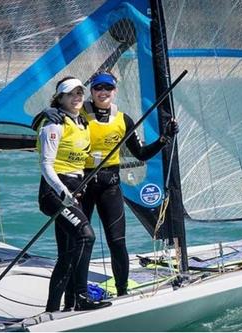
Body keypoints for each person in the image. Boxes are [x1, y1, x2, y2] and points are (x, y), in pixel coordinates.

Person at [37, 71, 178, 304]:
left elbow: (140, 154)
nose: (103, 92)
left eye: (108, 88)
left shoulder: (123, 120)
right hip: (79, 184)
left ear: (115, 91)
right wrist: (45, 112)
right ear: (91, 91)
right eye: (98, 88)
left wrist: (164, 139)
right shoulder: (78, 113)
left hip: (109, 185)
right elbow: (51, 123)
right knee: (75, 243)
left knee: (117, 241)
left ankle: (122, 292)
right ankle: (71, 300)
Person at [36, 76, 111, 312]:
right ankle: (80, 296)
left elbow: (105, 103)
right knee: (86, 236)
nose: (77, 97)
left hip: (74, 189)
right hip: (54, 192)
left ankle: (54, 309)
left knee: (68, 253)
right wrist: (63, 191)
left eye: (80, 93)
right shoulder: (54, 123)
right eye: (71, 94)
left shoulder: (82, 122)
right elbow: (46, 165)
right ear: (60, 98)